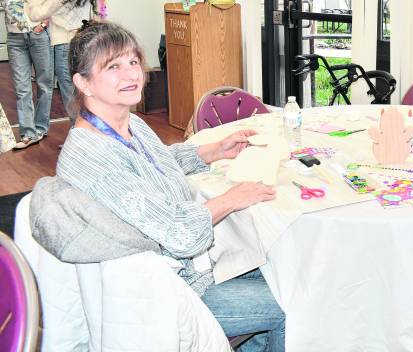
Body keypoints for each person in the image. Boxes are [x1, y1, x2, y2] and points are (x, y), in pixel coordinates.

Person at [55, 21, 285, 352]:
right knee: (288, 300)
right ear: (83, 83)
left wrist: (213, 150)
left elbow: (157, 162)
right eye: (113, 66)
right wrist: (232, 199)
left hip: (188, 267)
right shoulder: (94, 159)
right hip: (163, 292)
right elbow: (181, 235)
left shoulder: (126, 122)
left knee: (284, 268)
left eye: (133, 61)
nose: (131, 74)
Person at [26, 0, 113, 123]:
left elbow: (36, 14)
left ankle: (78, 133)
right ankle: (90, 131)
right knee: (83, 91)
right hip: (83, 44)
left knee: (69, 92)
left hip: (64, 45)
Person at [0, 0, 53, 149]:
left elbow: (52, 5)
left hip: (39, 36)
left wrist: (43, 25)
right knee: (22, 88)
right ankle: (28, 133)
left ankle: (40, 128)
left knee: (44, 83)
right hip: (15, 40)